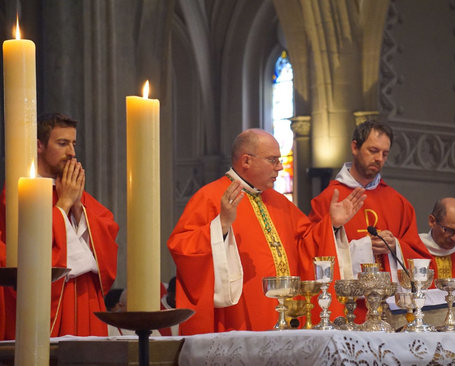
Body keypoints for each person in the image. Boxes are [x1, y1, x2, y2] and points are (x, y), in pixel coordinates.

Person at [168, 128, 365, 335]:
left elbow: (306, 244)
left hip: (288, 319)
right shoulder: (210, 197)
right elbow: (182, 248)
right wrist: (221, 227)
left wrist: (331, 224)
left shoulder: (280, 202)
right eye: (273, 160)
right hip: (240, 317)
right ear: (246, 161)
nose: (280, 167)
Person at [0, 113, 119, 339]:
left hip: (85, 298)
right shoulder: (18, 193)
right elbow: (28, 247)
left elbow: (107, 231)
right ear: (39, 146)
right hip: (51, 305)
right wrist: (63, 204)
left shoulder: (73, 193)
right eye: (62, 144)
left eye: (73, 144)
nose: (72, 153)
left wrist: (76, 207)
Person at [309, 122, 432, 281]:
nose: (379, 158)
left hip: (390, 302)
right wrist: (335, 229)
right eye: (373, 151)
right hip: (347, 302)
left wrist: (395, 246)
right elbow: (311, 253)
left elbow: (419, 257)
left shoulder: (399, 203)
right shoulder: (328, 199)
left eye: (385, 154)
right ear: (355, 148)